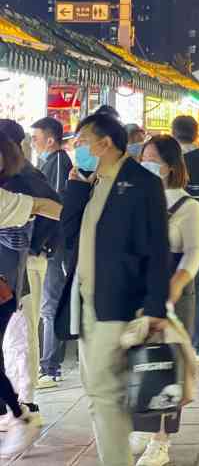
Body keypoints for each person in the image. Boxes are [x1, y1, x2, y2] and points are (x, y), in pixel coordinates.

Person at [55, 112, 169, 466]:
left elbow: (157, 247)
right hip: (88, 302)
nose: (79, 148)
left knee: (104, 395)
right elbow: (69, 237)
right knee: (100, 394)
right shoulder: (94, 181)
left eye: (83, 141)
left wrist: (154, 306)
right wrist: (75, 186)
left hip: (119, 300)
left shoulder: (141, 183)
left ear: (105, 144)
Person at [130, 135, 199, 466]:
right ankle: (144, 428)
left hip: (174, 293)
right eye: (142, 158)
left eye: (153, 160)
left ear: (171, 167)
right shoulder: (137, 199)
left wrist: (177, 283)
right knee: (140, 362)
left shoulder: (187, 206)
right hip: (138, 293)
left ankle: (161, 442)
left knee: (167, 366)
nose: (146, 165)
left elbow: (196, 250)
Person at [0, 133, 62, 458]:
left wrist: (37, 247)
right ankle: (19, 411)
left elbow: (49, 208)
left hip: (15, 277)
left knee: (21, 341)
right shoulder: (20, 178)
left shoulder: (16, 185)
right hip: (17, 275)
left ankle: (22, 410)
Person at [171, 115, 199, 365]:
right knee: (196, 285)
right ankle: (196, 345)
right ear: (197, 133)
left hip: (171, 233)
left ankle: (176, 341)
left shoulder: (172, 161)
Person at [31, 116, 72, 389]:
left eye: (35, 138)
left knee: (50, 305)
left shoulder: (57, 163)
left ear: (50, 139)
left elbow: (55, 207)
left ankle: (50, 367)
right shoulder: (48, 162)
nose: (32, 143)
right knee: (46, 305)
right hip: (49, 247)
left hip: (54, 247)